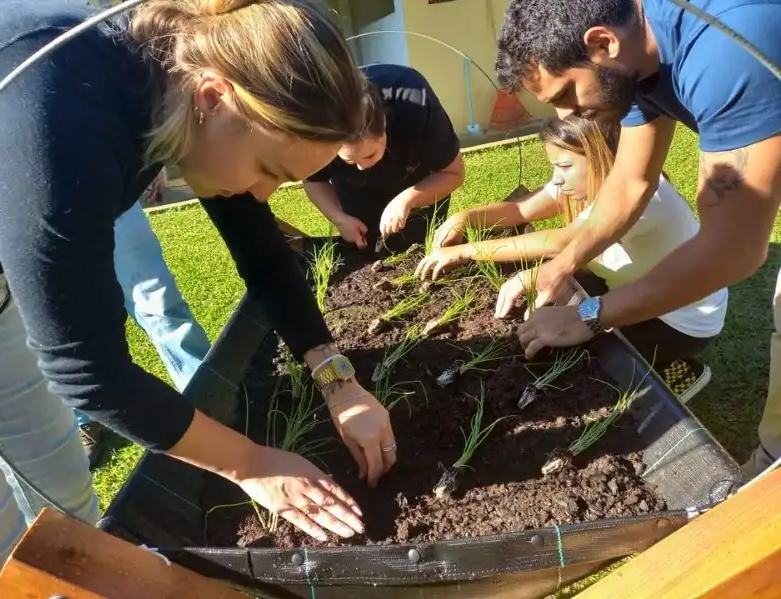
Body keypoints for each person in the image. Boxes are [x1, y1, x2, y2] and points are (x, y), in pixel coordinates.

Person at [0, 0, 396, 593]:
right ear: (211, 97)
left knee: (64, 503)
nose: (263, 194)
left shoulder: (184, 87)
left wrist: (340, 381)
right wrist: (252, 465)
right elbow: (88, 372)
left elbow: (263, 255)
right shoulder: (54, 109)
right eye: (269, 170)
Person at [494, 0, 781, 476]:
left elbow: (731, 250)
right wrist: (563, 265)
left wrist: (589, 315)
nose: (568, 114)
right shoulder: (632, 65)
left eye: (566, 94)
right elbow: (628, 185)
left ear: (601, 42)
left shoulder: (723, 57)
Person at [416, 115, 728, 398]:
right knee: (568, 307)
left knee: (587, 348)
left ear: (602, 157)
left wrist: (467, 252)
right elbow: (520, 209)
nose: (557, 179)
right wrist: (465, 218)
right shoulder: (585, 181)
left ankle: (677, 371)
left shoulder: (644, 200)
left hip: (678, 321)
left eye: (564, 166)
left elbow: (562, 242)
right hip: (633, 288)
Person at [76, 196, 213, 462]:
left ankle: (208, 393)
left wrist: (150, 162)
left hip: (111, 194)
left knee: (162, 304)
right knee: (66, 327)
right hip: (25, 208)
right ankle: (81, 420)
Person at [303, 63, 465, 254]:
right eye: (350, 161)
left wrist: (407, 200)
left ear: (384, 121)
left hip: (418, 179)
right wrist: (339, 218)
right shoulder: (317, 126)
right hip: (355, 188)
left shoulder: (414, 100)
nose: (362, 167)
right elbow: (313, 181)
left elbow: (453, 173)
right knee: (368, 248)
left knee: (420, 247)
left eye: (369, 155)